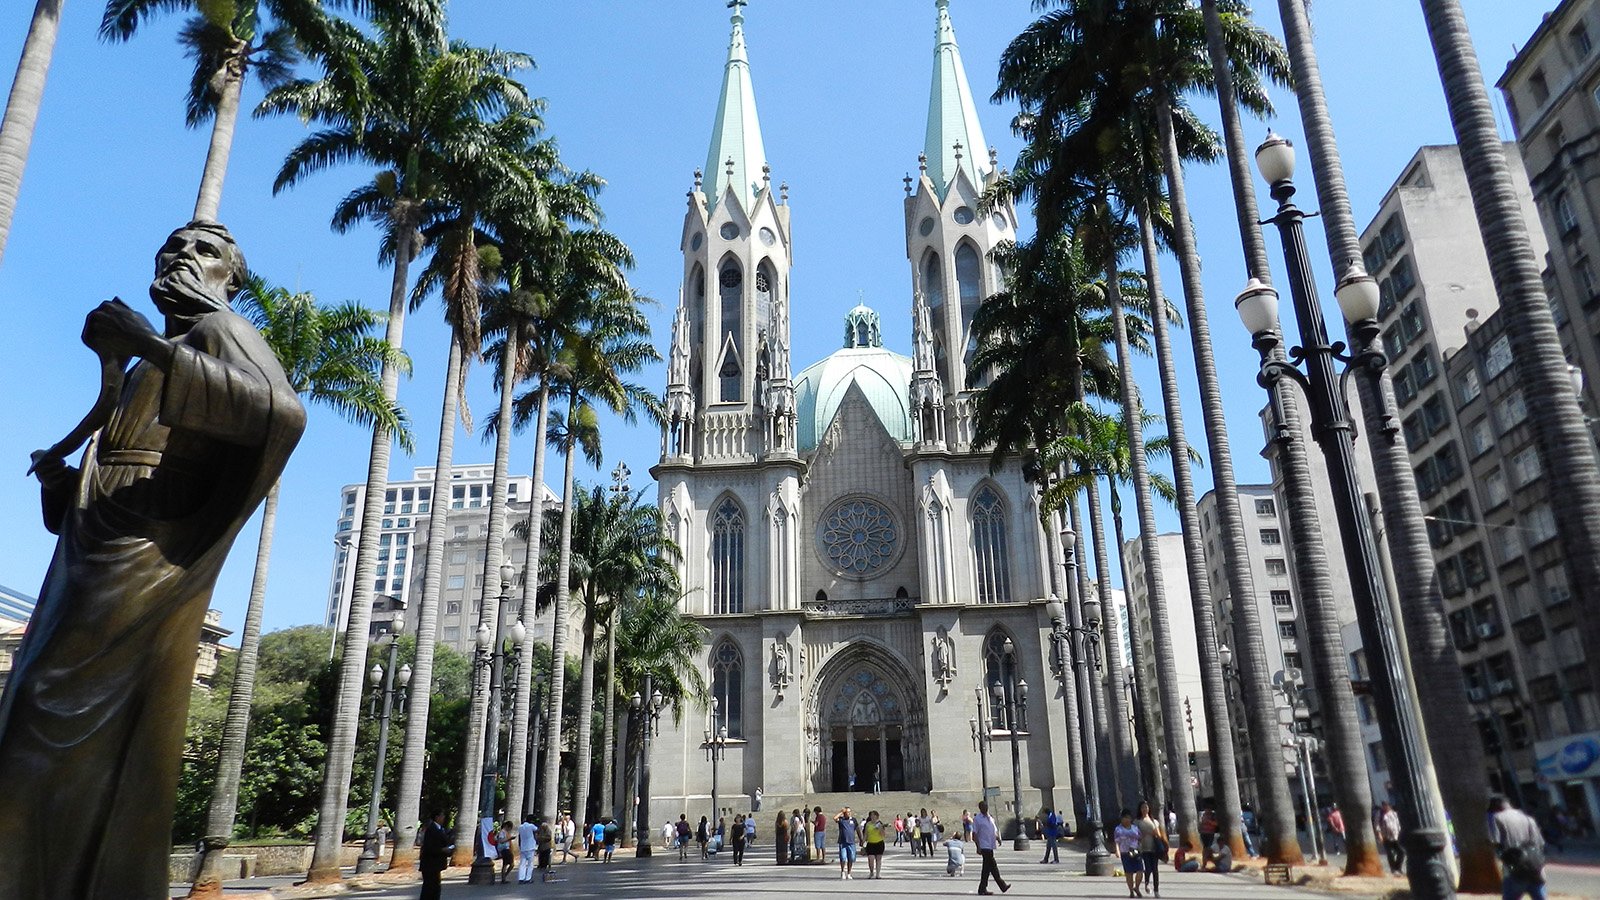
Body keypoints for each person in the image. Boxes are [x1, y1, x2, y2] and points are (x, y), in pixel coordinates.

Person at [0, 221, 306, 900]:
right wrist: (63, 483)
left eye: (204, 250)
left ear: (232, 274)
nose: (182, 256)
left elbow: (279, 414)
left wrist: (145, 343)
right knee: (32, 713)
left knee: (42, 721)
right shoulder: (158, 354)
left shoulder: (219, 330)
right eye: (174, 246)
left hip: (148, 555)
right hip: (92, 552)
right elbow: (105, 477)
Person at [1490, 795, 1548, 900]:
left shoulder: (1497, 818)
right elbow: (1540, 842)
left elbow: (1496, 842)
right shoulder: (1528, 818)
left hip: (1514, 867)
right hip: (1535, 867)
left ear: (1496, 807)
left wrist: (1500, 856)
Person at [972, 800, 1010, 895]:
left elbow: (993, 830)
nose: (985, 808)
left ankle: (983, 888)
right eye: (983, 807)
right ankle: (1002, 885)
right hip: (984, 846)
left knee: (988, 868)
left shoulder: (990, 818)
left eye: (986, 806)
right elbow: (974, 834)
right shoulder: (977, 819)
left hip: (990, 845)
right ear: (980, 808)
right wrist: (978, 847)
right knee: (992, 867)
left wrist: (997, 838)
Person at [419, 809, 452, 900]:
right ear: (437, 817)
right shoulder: (431, 829)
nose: (443, 817)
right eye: (442, 815)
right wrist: (442, 850)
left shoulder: (440, 829)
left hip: (436, 864)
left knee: (435, 888)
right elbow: (428, 847)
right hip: (430, 864)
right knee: (429, 888)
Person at [1115, 809, 1144, 898]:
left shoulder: (1135, 828)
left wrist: (1140, 847)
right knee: (1129, 873)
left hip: (1135, 851)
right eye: (1125, 818)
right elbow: (1117, 841)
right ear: (1122, 819)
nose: (1127, 820)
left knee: (1140, 870)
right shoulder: (1118, 829)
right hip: (1125, 852)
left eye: (1128, 818)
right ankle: (1131, 891)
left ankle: (1137, 887)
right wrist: (1117, 851)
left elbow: (1140, 838)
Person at [1378, 801, 1405, 875]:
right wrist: (1380, 835)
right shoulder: (1381, 815)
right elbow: (1377, 825)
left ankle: (1398, 867)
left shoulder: (1394, 814)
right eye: (1383, 806)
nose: (1385, 807)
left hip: (1396, 836)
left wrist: (1400, 833)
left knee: (1401, 852)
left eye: (1386, 805)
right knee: (1390, 854)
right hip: (1387, 837)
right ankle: (1393, 869)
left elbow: (1398, 824)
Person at [836, 807, 860, 879]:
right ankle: (843, 871)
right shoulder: (841, 820)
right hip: (843, 842)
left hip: (851, 842)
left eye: (849, 812)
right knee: (843, 858)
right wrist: (841, 812)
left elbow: (858, 829)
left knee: (851, 858)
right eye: (847, 812)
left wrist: (861, 839)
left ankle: (849, 873)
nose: (849, 813)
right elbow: (834, 818)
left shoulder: (853, 820)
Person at [863, 810, 887, 878]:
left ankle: (878, 874)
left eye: (874, 815)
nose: (872, 817)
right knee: (871, 858)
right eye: (871, 815)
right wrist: (863, 841)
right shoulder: (868, 824)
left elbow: (883, 835)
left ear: (877, 816)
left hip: (879, 843)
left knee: (878, 859)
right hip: (870, 843)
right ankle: (871, 872)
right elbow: (865, 834)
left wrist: (880, 829)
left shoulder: (880, 823)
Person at [517, 814, 537, 883]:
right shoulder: (531, 826)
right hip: (530, 846)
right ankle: (528, 878)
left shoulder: (520, 827)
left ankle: (521, 878)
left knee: (522, 863)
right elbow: (537, 829)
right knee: (530, 864)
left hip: (523, 847)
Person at [536, 817, 555, 883]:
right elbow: (537, 836)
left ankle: (545, 864)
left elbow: (549, 837)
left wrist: (542, 838)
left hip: (546, 845)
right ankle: (541, 864)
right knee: (541, 855)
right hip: (541, 845)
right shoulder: (540, 830)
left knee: (546, 855)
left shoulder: (548, 831)